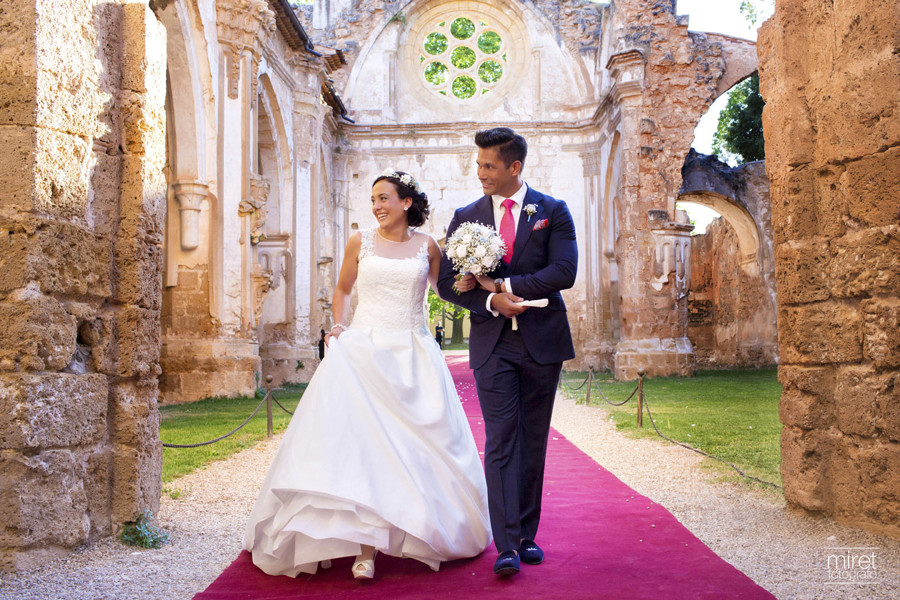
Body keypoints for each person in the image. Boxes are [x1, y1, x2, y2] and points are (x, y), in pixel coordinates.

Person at [244, 170, 492, 580]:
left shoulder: (427, 246)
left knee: (417, 449)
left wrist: (479, 279)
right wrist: (338, 326)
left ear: (406, 202)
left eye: (384, 198)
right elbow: (342, 290)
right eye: (373, 199)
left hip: (413, 355)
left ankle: (420, 528)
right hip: (364, 352)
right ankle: (365, 550)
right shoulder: (360, 242)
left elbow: (445, 290)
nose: (377, 206)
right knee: (362, 449)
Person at [437, 128, 577, 576]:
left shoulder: (553, 211)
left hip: (542, 340)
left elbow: (564, 271)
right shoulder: (465, 216)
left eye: (489, 166)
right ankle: (506, 545)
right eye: (478, 165)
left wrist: (505, 285)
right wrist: (489, 301)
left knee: (533, 440)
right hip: (492, 343)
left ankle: (528, 535)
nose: (480, 173)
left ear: (514, 167)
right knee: (500, 440)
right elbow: (446, 284)